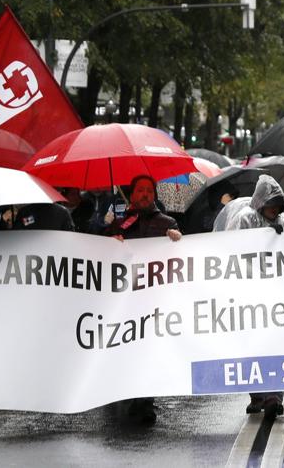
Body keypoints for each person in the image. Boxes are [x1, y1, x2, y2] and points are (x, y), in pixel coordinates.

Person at [104, 176, 181, 423]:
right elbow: (101, 257)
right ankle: (129, 391)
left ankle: (144, 400)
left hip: (153, 298)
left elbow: (182, 255)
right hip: (125, 298)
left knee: (147, 347)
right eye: (140, 190)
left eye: (149, 190)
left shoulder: (167, 223)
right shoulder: (120, 223)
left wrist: (176, 238)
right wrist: (110, 239)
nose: (145, 194)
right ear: (133, 194)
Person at [227, 175, 284, 418]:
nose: (274, 208)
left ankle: (274, 396)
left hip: (278, 295)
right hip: (250, 294)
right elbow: (232, 249)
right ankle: (257, 395)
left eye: (278, 203)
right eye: (270, 203)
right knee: (253, 346)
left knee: (277, 345)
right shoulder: (245, 219)